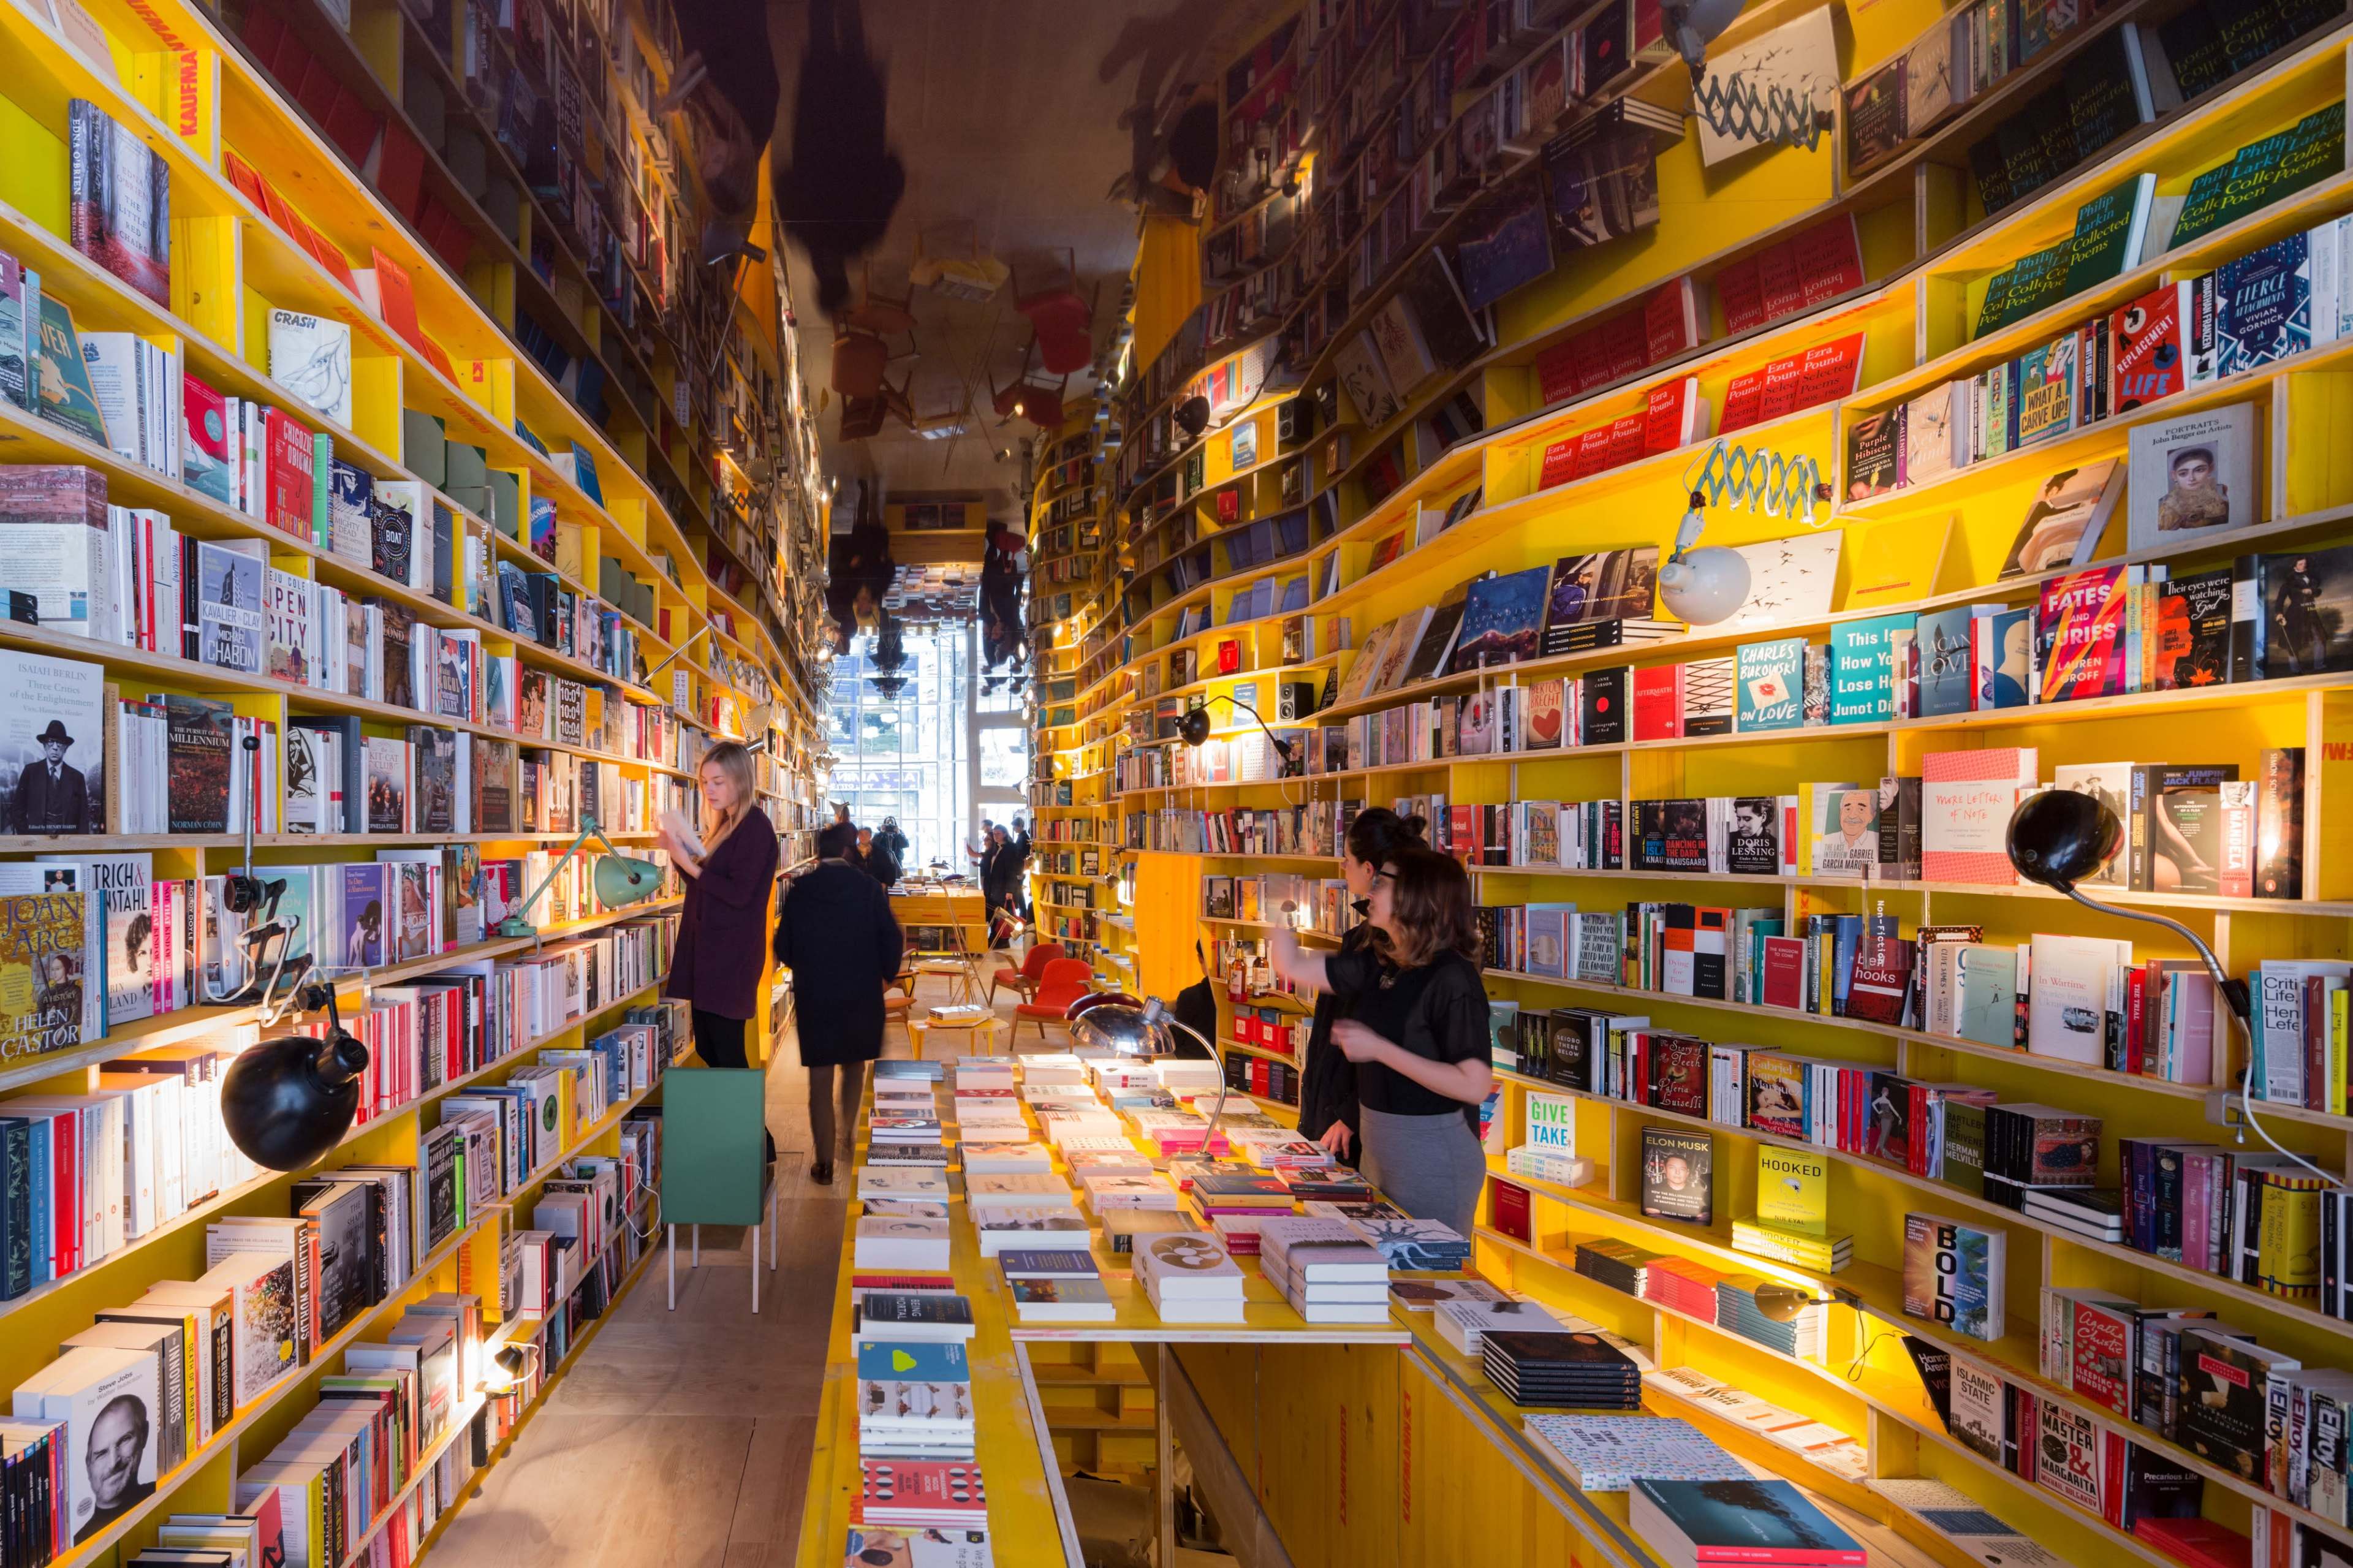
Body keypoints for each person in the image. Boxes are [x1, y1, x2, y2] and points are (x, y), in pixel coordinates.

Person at [1270, 846, 1493, 1237]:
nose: (1369, 892)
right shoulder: (1383, 963)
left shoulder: (1453, 979)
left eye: (1381, 884)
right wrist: (1278, 924)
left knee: (1424, 1283)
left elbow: (1474, 1084)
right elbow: (1297, 967)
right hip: (1380, 1149)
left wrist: (1381, 1050)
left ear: (1416, 896)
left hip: (1432, 1159)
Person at [659, 741, 783, 1157]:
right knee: (712, 1047)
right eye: (704, 782)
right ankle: (748, 1140)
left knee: (728, 1052)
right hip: (710, 954)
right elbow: (704, 882)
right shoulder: (726, 825)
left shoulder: (756, 828)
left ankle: (756, 1145)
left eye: (718, 782)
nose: (709, 790)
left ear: (740, 781)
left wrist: (690, 863)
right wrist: (680, 854)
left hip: (730, 959)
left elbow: (740, 893)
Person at [775, 821, 905, 1184]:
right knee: (854, 1065)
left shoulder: (801, 889)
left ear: (819, 852)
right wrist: (885, 975)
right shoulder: (868, 889)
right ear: (850, 851)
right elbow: (891, 938)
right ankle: (849, 1135)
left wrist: (806, 968)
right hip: (861, 992)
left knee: (820, 1079)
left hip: (817, 994)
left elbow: (783, 945)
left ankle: (825, 1161)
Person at [1296, 808, 1426, 1165]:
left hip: (1354, 1129)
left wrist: (1350, 1113)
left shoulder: (1395, 953)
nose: (1342, 867)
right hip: (1332, 1113)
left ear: (1370, 871)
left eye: (1348, 860)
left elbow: (1396, 1043)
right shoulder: (1359, 940)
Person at [77, 1392, 153, 1542]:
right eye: (101, 1454)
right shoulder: (78, 1542)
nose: (113, 1463)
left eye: (125, 1440)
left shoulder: (158, 1492)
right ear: (88, 1465)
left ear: (144, 1435)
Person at [14, 719, 89, 834]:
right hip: (36, 843)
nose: (55, 747)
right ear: (44, 746)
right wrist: (28, 838)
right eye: (50, 742)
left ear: (66, 748)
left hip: (67, 844)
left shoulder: (77, 778)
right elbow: (18, 810)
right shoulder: (30, 772)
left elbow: (83, 818)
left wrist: (77, 846)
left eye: (60, 743)